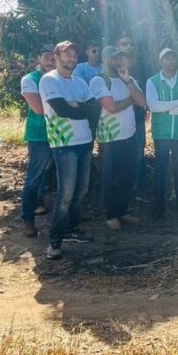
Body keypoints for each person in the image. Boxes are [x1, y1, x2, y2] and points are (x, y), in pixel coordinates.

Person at [39, 41, 101, 260]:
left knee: (81, 191)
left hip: (84, 141)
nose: (72, 57)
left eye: (75, 54)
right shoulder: (49, 81)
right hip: (63, 144)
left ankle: (73, 229)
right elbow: (63, 110)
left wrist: (79, 106)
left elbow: (96, 110)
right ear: (56, 57)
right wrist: (78, 108)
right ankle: (55, 241)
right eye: (67, 54)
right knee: (65, 193)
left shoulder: (80, 83)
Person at [91, 47, 146, 230]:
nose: (117, 61)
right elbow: (111, 107)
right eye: (113, 57)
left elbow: (141, 101)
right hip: (109, 138)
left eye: (119, 57)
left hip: (129, 135)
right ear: (105, 59)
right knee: (110, 177)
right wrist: (130, 100)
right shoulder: (99, 81)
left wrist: (128, 81)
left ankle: (123, 211)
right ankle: (110, 214)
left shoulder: (128, 79)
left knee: (127, 176)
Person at [145, 47, 178, 218]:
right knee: (160, 168)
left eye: (173, 58)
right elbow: (153, 106)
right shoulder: (152, 81)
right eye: (167, 58)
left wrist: (168, 109)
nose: (171, 61)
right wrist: (177, 102)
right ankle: (159, 205)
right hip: (161, 133)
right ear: (161, 62)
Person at [20, 44, 57, 237]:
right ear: (38, 59)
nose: (50, 60)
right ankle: (28, 219)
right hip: (40, 135)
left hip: (60, 133)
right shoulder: (30, 79)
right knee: (34, 177)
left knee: (50, 175)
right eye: (46, 56)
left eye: (53, 56)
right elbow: (39, 109)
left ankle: (63, 217)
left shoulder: (60, 78)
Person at [116, 36, 148, 195]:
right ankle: (121, 192)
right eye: (123, 43)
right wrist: (132, 99)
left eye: (129, 43)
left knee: (137, 155)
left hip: (138, 118)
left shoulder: (140, 69)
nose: (127, 46)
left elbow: (144, 98)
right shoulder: (111, 72)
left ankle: (138, 191)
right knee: (118, 159)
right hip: (115, 123)